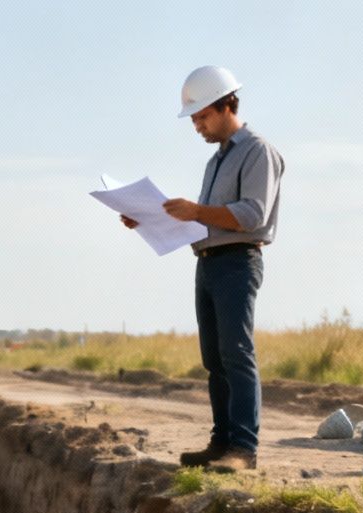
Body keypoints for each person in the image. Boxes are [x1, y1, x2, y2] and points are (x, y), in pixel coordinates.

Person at [122, 65, 284, 470]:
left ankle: (243, 450)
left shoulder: (257, 151)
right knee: (214, 359)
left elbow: (251, 214)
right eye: (193, 118)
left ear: (226, 105)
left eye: (201, 116)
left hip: (237, 262)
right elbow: (206, 222)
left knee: (237, 354)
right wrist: (149, 219)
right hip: (209, 263)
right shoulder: (215, 163)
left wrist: (196, 210)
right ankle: (221, 442)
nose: (196, 126)